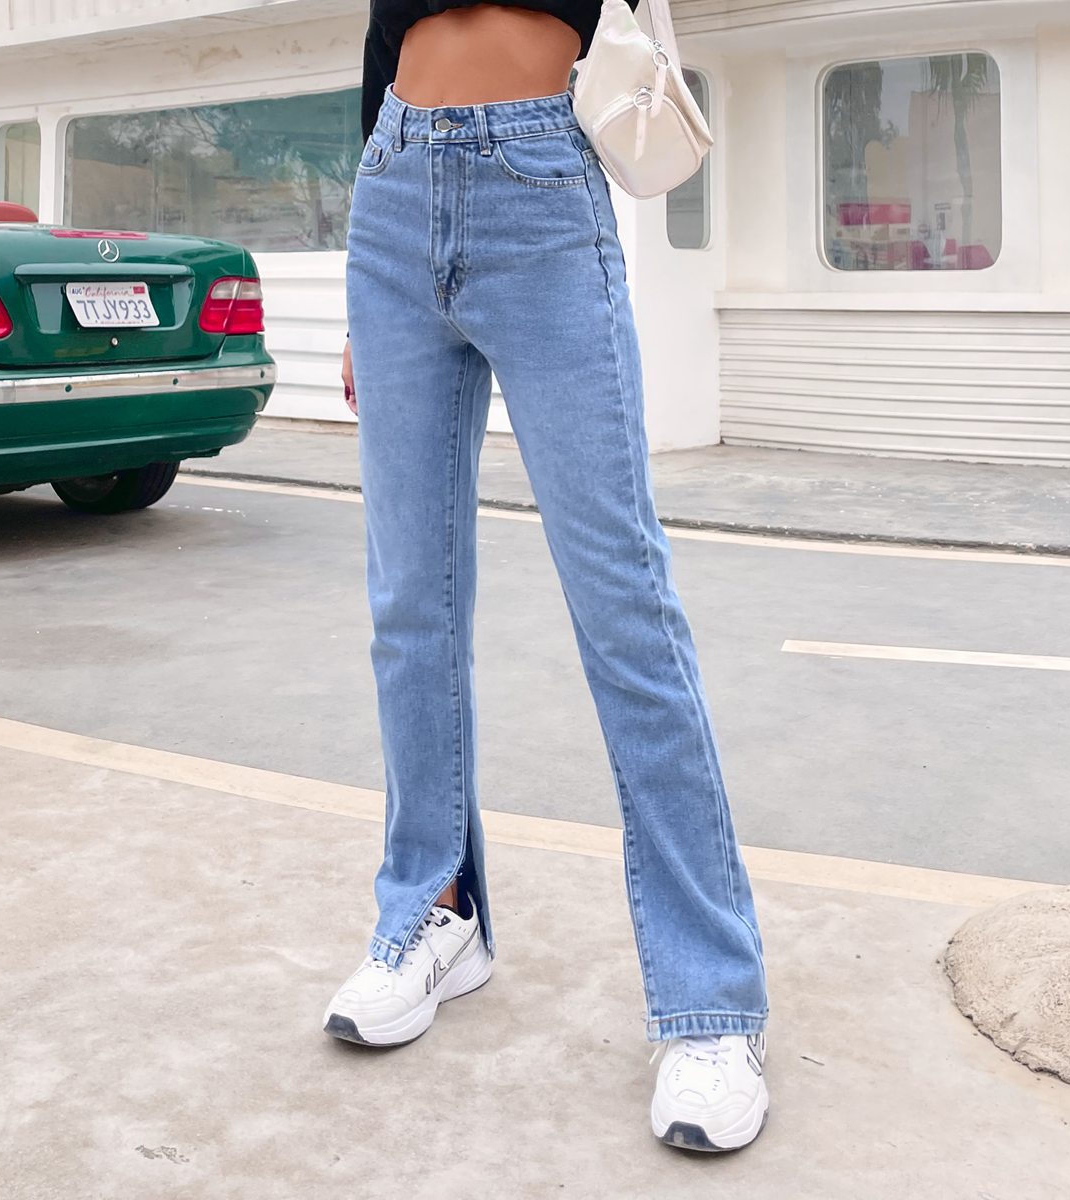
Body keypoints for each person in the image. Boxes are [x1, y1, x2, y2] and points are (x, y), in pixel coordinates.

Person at [327, 0, 770, 1153]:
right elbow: (382, 41)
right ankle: (436, 913)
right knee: (408, 604)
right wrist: (360, 302)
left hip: (539, 178)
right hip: (393, 184)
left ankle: (710, 1000)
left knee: (624, 600)